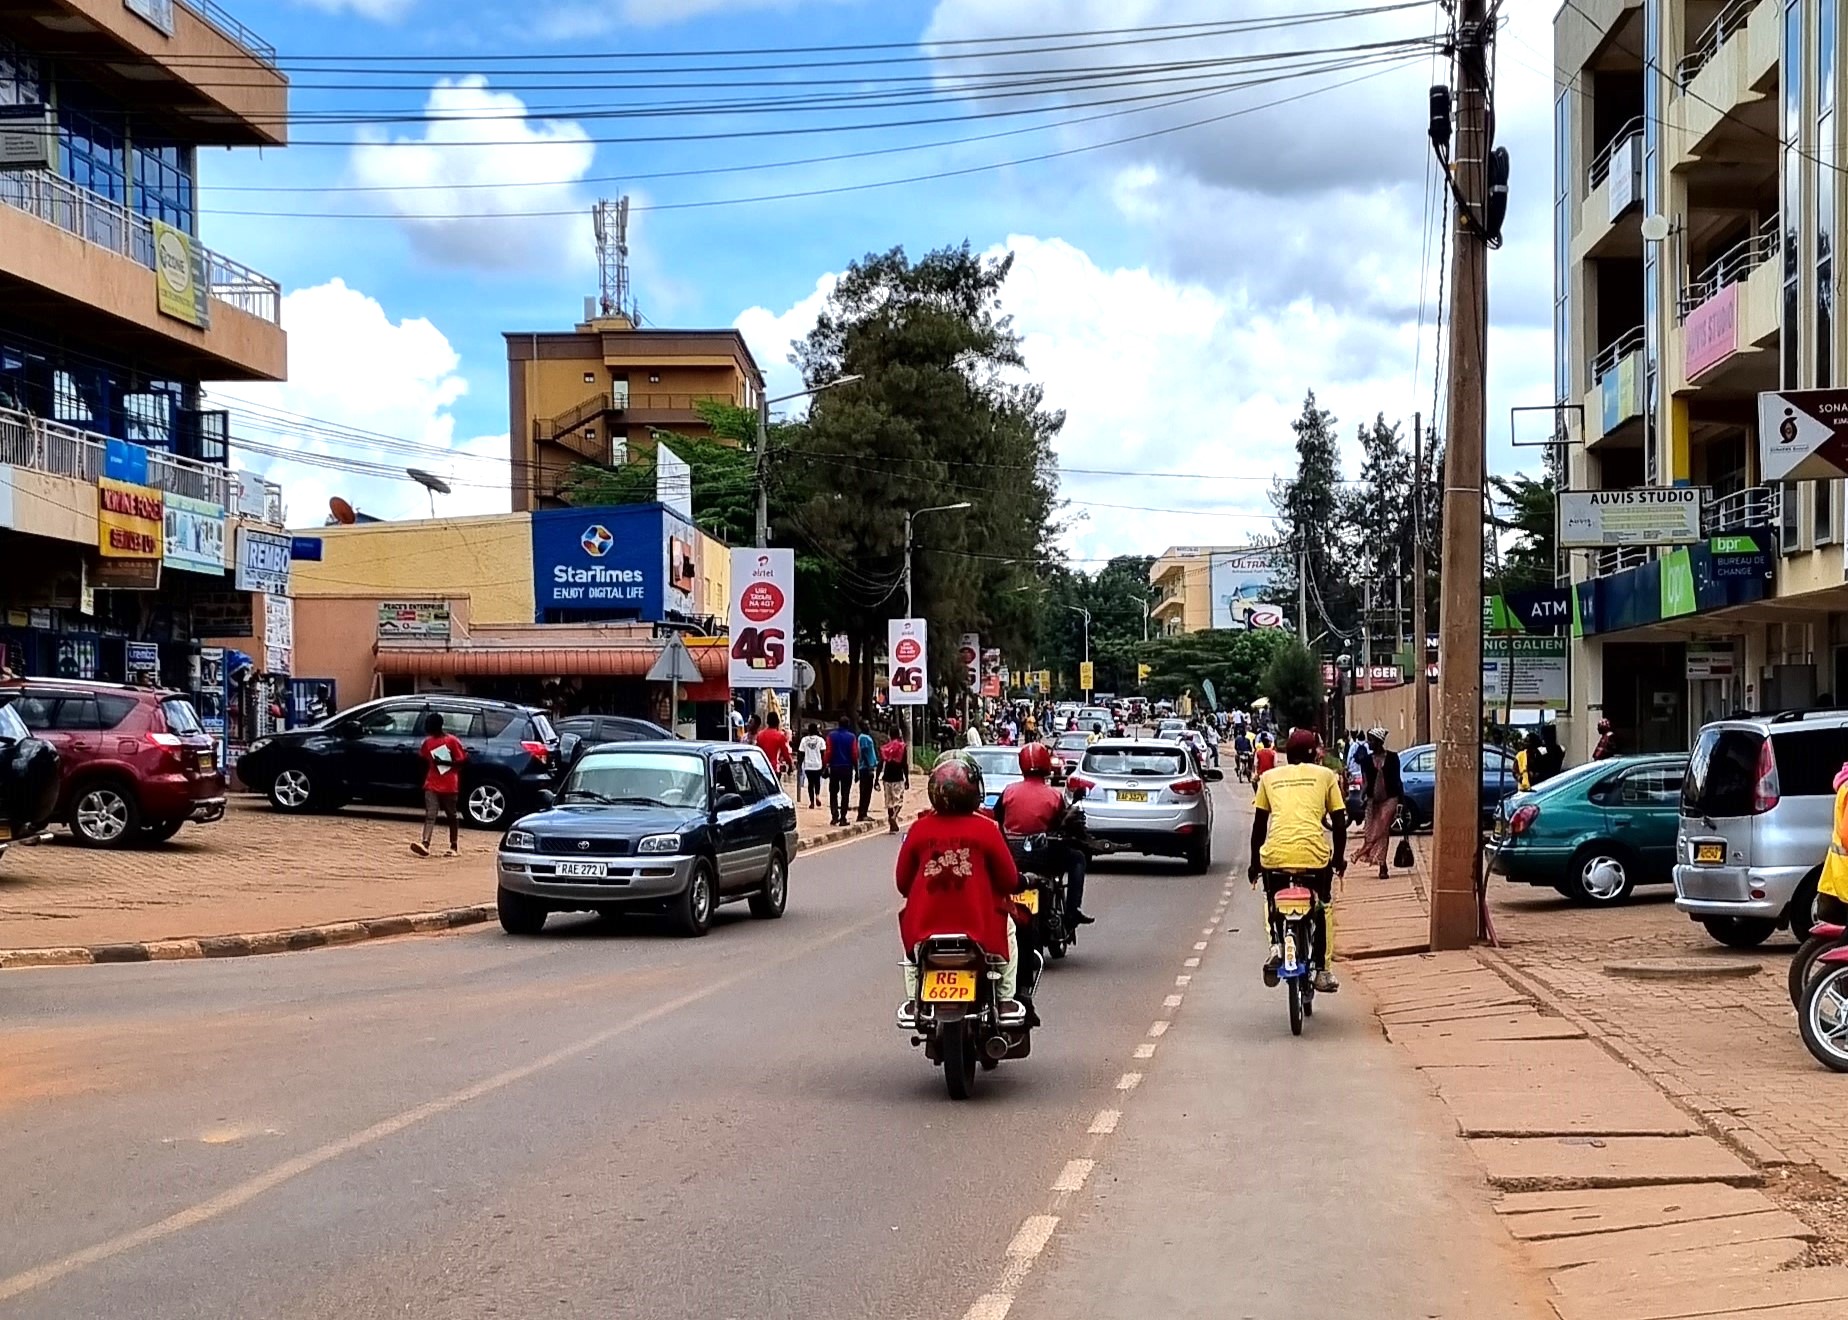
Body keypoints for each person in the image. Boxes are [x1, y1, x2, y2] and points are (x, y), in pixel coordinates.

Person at [895, 754, 1027, 1028]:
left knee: (912, 953)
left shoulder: (919, 829)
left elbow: (902, 883)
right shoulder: (986, 829)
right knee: (1010, 931)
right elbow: (1009, 880)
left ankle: (913, 998)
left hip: (925, 925)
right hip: (979, 923)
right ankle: (1004, 999)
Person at [1248, 729, 1347, 993]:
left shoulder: (1269, 778)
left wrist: (1254, 864)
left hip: (1275, 856)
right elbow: (1339, 822)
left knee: (1272, 899)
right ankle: (1322, 971)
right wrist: (1338, 858)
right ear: (1314, 754)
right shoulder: (1327, 776)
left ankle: (1277, 946)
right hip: (1313, 856)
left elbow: (1259, 826)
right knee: (1323, 905)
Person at [993, 742, 1094, 932]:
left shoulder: (1009, 791)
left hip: (1013, 856)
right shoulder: (1053, 796)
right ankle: (1073, 910)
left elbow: (997, 819)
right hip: (1044, 856)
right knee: (1078, 859)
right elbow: (1062, 826)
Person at [1350, 727, 1403, 880]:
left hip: (1390, 798)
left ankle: (1365, 855)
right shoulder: (1367, 760)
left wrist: (1401, 801)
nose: (1369, 743)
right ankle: (1381, 863)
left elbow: (1397, 780)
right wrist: (1361, 797)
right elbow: (1366, 782)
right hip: (1374, 800)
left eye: (1371, 740)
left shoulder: (1393, 758)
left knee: (1381, 828)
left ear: (1379, 742)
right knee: (1374, 831)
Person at [411, 711, 466, 858]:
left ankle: (454, 846)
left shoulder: (452, 741)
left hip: (449, 783)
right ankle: (425, 843)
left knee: (451, 816)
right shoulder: (427, 742)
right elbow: (422, 759)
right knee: (430, 814)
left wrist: (446, 763)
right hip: (432, 783)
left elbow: (463, 761)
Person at [825, 716, 858, 825]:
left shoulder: (831, 736)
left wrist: (825, 765)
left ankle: (834, 816)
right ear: (848, 725)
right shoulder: (852, 737)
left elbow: (828, 752)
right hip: (847, 767)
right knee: (845, 793)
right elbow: (854, 754)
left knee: (833, 792)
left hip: (834, 767)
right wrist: (856, 769)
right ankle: (843, 818)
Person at [879, 725, 910, 832]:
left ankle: (891, 822)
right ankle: (894, 817)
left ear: (889, 735)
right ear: (899, 734)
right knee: (898, 801)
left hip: (887, 777)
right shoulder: (902, 747)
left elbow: (880, 763)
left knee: (889, 801)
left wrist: (876, 779)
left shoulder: (885, 748)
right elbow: (904, 764)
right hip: (898, 776)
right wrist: (907, 779)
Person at [755, 710, 792, 781]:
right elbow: (786, 754)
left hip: (761, 767)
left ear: (767, 722)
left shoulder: (760, 735)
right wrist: (790, 766)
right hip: (774, 768)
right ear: (778, 722)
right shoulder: (780, 736)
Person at [798, 722, 826, 809]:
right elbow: (823, 753)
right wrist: (824, 765)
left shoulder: (804, 740)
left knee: (810, 784)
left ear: (808, 730)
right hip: (818, 764)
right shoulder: (820, 740)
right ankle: (817, 795)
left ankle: (812, 802)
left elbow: (801, 753)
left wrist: (799, 764)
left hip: (808, 765)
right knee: (817, 781)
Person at [855, 719, 879, 821]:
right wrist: (869, 766)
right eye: (866, 725)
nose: (868, 726)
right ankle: (862, 813)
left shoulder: (864, 737)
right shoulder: (864, 738)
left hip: (867, 767)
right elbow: (864, 752)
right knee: (865, 792)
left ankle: (863, 812)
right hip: (865, 768)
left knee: (866, 792)